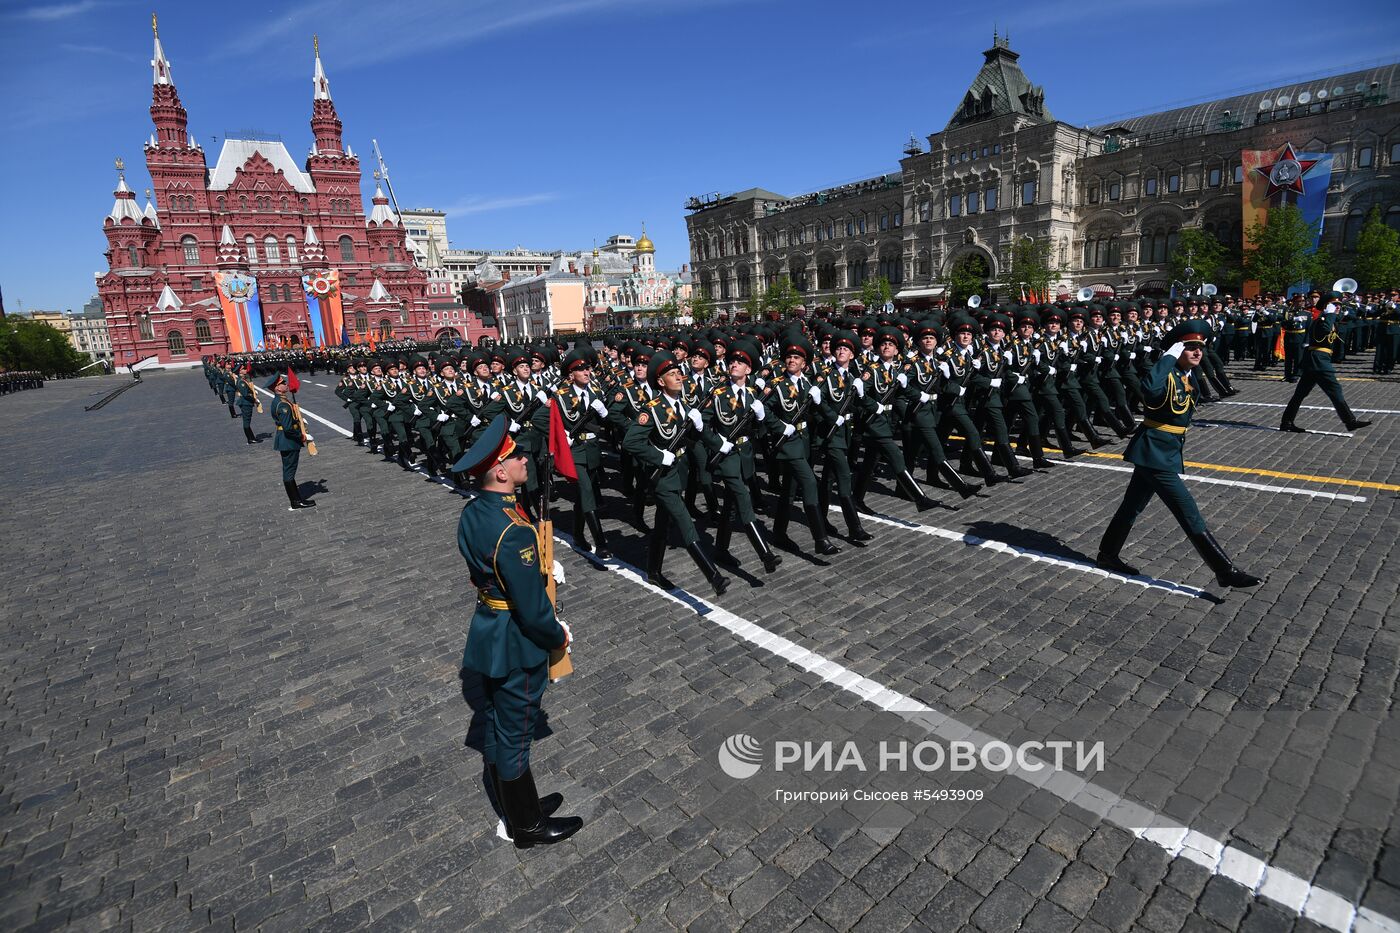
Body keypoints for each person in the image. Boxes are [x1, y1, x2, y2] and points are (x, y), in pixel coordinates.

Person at [453, 415, 581, 848]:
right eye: (516, 456)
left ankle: (519, 804)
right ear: (501, 472)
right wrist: (557, 635)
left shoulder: (476, 512)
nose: (525, 459)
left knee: (496, 725)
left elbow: (482, 573)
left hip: (489, 629)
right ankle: (525, 827)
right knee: (516, 734)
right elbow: (530, 611)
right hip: (516, 641)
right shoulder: (513, 531)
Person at [1096, 321, 1260, 588]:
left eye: (1200, 348)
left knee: (1131, 506)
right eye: (1190, 348)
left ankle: (1107, 554)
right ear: (1177, 351)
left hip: (1165, 449)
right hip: (1155, 452)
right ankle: (1224, 570)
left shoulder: (1187, 375)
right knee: (1188, 511)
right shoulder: (1167, 373)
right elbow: (1149, 391)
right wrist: (1167, 357)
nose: (1197, 353)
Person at [1279, 291, 1373, 433]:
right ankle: (1350, 422)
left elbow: (1347, 320)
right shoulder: (1322, 320)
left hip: (1316, 360)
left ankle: (1286, 422)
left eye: (1339, 305)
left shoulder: (1329, 318)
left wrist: (1333, 314)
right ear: (1327, 306)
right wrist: (1328, 314)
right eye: (1335, 304)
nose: (1338, 307)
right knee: (1335, 391)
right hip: (1318, 360)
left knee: (1300, 394)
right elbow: (1324, 330)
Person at [268, 372, 315, 510]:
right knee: (289, 472)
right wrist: (303, 437)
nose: (285, 384)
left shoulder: (281, 400)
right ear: (277, 388)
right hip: (288, 441)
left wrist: (298, 420)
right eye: (282, 383)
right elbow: (288, 428)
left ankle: (296, 499)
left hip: (285, 440)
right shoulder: (282, 404)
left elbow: (287, 422)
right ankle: (295, 502)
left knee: (289, 471)